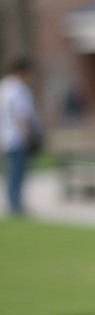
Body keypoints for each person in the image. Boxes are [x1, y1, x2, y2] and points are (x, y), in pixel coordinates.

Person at [0, 56, 39, 215]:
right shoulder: (18, 89)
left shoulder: (4, 87)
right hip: (17, 137)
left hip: (6, 136)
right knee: (17, 171)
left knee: (12, 171)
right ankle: (16, 204)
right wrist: (27, 134)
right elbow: (20, 115)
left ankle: (13, 202)